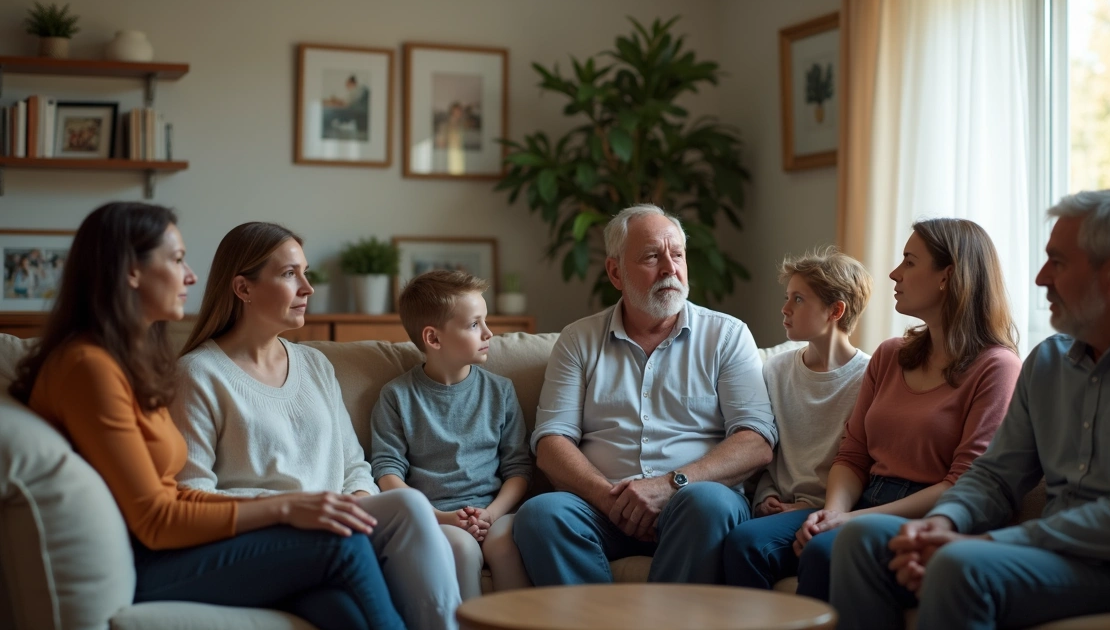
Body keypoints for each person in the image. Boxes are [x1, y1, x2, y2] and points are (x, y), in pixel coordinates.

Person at [9, 203, 405, 630]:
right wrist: (287, 507)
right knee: (342, 544)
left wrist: (291, 506)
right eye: (177, 260)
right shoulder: (88, 368)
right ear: (131, 272)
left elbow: (174, 494)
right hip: (148, 562)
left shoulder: (124, 362)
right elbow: (157, 520)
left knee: (337, 608)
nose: (192, 276)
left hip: (169, 549)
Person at [831, 190, 1110, 630]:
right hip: (1038, 551)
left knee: (959, 566)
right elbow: (995, 476)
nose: (1039, 278)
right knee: (859, 539)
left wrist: (989, 542)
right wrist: (940, 522)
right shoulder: (1049, 360)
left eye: (1058, 262)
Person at [171, 222, 461, 630]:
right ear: (243, 288)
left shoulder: (314, 365)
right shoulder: (198, 375)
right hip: (264, 540)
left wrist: (354, 501)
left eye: (305, 273)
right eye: (290, 274)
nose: (307, 287)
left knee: (361, 589)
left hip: (337, 533)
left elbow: (354, 464)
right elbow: (192, 494)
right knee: (396, 524)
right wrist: (295, 511)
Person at [512, 203, 779, 586]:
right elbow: (552, 441)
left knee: (707, 504)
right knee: (540, 515)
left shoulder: (727, 335)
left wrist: (670, 485)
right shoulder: (578, 340)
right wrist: (610, 499)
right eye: (653, 256)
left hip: (694, 504)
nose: (670, 268)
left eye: (678, 255)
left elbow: (755, 441)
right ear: (615, 272)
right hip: (602, 509)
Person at [789, 218, 1021, 601]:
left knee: (822, 551)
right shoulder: (891, 354)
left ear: (947, 276)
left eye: (910, 262)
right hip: (862, 499)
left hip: (929, 516)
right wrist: (832, 514)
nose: (895, 274)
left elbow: (963, 483)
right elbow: (852, 454)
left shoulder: (997, 367)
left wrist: (847, 521)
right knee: (749, 542)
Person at [370, 270, 532, 598]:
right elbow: (387, 473)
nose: (489, 333)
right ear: (433, 338)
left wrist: (491, 514)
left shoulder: (500, 392)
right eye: (474, 325)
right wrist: (441, 517)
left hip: (493, 512)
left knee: (505, 545)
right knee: (463, 548)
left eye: (485, 321)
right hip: (434, 517)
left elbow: (518, 468)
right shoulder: (396, 396)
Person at [721, 247, 874, 589]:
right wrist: (766, 497)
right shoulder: (774, 370)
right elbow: (767, 451)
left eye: (799, 299)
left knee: (746, 544)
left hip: (829, 511)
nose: (785, 309)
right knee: (737, 539)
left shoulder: (868, 377)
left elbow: (865, 461)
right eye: (787, 297)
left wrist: (814, 508)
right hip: (779, 508)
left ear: (836, 310)